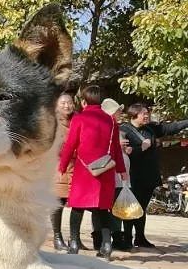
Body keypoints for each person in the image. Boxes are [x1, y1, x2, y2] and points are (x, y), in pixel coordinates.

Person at [58, 85, 128, 260]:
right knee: (103, 208)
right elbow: (117, 150)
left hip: (84, 170)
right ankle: (106, 245)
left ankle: (74, 243)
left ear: (83, 101)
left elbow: (70, 144)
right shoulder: (111, 121)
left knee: (77, 207)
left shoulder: (80, 119)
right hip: (105, 169)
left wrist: (63, 166)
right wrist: (122, 170)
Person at [120, 103, 188, 248]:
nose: (147, 116)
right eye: (143, 113)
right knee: (131, 207)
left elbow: (169, 128)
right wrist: (141, 148)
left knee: (142, 207)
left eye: (147, 113)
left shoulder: (150, 128)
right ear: (134, 115)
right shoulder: (124, 131)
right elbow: (126, 153)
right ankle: (126, 238)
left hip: (149, 175)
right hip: (133, 175)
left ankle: (140, 237)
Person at [101, 98, 134, 251]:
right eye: (118, 111)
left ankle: (117, 236)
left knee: (118, 206)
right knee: (106, 208)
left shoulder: (118, 128)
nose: (121, 113)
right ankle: (105, 237)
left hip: (120, 174)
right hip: (109, 172)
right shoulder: (105, 127)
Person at [51, 92, 77, 251]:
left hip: (77, 167)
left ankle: (76, 238)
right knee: (58, 202)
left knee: (78, 205)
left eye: (69, 103)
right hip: (59, 166)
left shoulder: (77, 120)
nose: (67, 106)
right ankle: (57, 236)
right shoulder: (53, 123)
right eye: (63, 103)